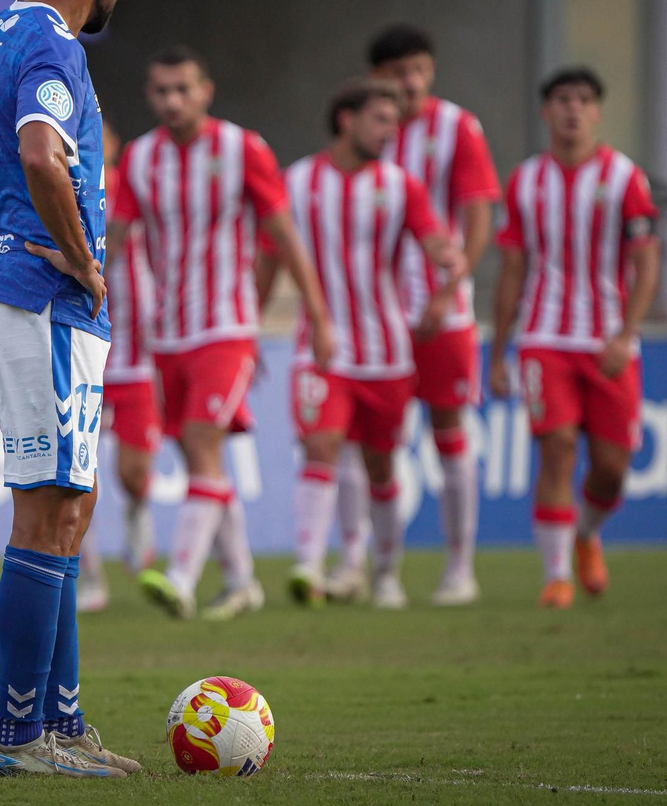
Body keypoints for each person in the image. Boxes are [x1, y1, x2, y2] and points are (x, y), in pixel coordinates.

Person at [0, 0, 143, 779]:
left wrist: (0, 245)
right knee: (46, 511)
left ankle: (59, 726)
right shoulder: (55, 47)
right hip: (41, 306)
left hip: (11, 293)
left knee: (70, 507)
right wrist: (74, 258)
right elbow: (35, 152)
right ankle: (20, 739)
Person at [113, 46, 336, 622]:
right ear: (149, 95)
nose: (172, 101)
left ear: (206, 92)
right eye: (161, 91)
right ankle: (241, 582)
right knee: (198, 458)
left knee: (202, 443)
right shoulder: (139, 160)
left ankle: (182, 578)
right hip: (167, 334)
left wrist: (320, 315)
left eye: (183, 89)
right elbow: (115, 238)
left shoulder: (243, 150)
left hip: (226, 324)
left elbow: (283, 237)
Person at [262, 81, 465, 611]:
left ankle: (385, 572)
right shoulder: (299, 181)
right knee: (321, 445)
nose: (389, 132)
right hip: (321, 346)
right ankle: (308, 564)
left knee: (380, 466)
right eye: (379, 120)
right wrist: (253, 326)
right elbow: (270, 254)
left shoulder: (402, 186)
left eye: (393, 123)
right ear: (347, 120)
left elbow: (436, 243)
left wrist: (448, 266)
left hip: (386, 351)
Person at [489, 66, 660, 609]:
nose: (572, 110)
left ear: (597, 112)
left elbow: (647, 263)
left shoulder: (625, 178)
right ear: (546, 111)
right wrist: (499, 351)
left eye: (583, 100)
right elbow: (512, 268)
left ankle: (586, 534)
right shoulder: (526, 181)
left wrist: (626, 334)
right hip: (543, 336)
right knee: (556, 448)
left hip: (609, 342)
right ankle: (556, 575)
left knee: (611, 469)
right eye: (562, 99)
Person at [368, 24, 501, 606]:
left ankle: (459, 567)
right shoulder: (368, 134)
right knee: (374, 445)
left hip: (443, 313)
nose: (411, 81)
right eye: (398, 72)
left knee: (449, 430)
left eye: (419, 68)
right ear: (379, 79)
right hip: (377, 317)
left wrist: (450, 289)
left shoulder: (457, 129)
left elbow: (477, 217)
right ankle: (378, 571)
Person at [77, 123, 161, 614]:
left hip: (135, 355)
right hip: (84, 346)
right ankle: (91, 578)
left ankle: (138, 511)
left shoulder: (133, 189)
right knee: (77, 472)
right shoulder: (65, 188)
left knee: (132, 471)